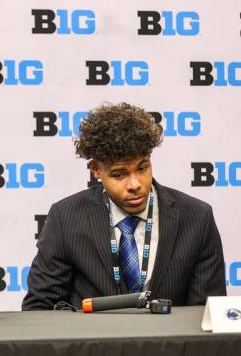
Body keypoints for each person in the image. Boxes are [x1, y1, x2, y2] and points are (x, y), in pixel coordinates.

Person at [23, 103, 226, 310]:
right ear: (96, 170)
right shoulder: (65, 217)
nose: (135, 185)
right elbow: (39, 308)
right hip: (93, 341)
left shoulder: (197, 217)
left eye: (142, 168)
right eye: (119, 174)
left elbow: (208, 315)